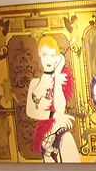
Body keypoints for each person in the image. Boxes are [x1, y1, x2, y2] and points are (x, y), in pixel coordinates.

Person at [25, 35, 80, 163]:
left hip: (61, 134)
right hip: (45, 139)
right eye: (45, 54)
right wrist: (52, 114)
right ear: (39, 54)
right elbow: (30, 111)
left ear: (57, 57)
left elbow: (60, 108)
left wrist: (57, 74)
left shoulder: (60, 79)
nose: (49, 59)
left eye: (52, 55)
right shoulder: (34, 83)